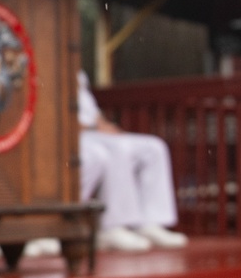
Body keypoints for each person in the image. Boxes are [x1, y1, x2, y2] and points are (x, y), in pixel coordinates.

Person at [78, 71, 186, 251]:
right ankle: (111, 227)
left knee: (153, 148)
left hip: (94, 131)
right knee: (116, 149)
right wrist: (95, 127)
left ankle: (150, 222)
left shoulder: (74, 68)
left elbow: (90, 109)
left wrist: (103, 124)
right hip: (74, 136)